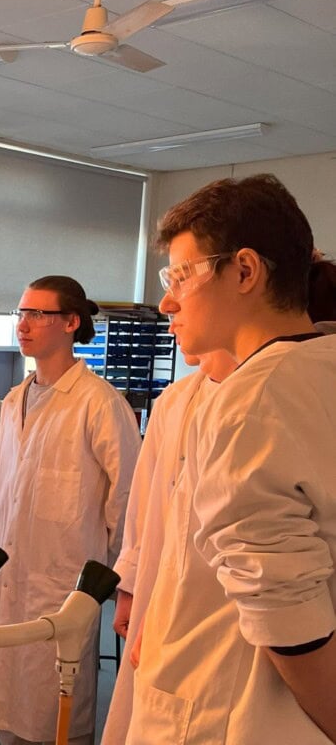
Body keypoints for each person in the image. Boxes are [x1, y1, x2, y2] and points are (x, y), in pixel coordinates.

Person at [129, 174, 336, 743]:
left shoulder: (252, 400)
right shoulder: (316, 369)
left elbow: (288, 621)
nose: (168, 299)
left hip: (229, 711)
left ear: (245, 271)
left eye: (180, 275)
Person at [0, 276, 141, 745]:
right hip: (8, 583)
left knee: (59, 721)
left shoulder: (99, 403)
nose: (23, 325)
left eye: (37, 314)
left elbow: (127, 500)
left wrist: (105, 579)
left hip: (63, 585)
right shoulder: (11, 402)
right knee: (7, 718)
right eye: (21, 313)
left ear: (70, 322)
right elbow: (5, 495)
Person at [101, 347, 236, 744]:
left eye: (181, 282)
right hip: (158, 585)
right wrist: (128, 586)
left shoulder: (263, 395)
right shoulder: (175, 400)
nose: (168, 308)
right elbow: (144, 506)